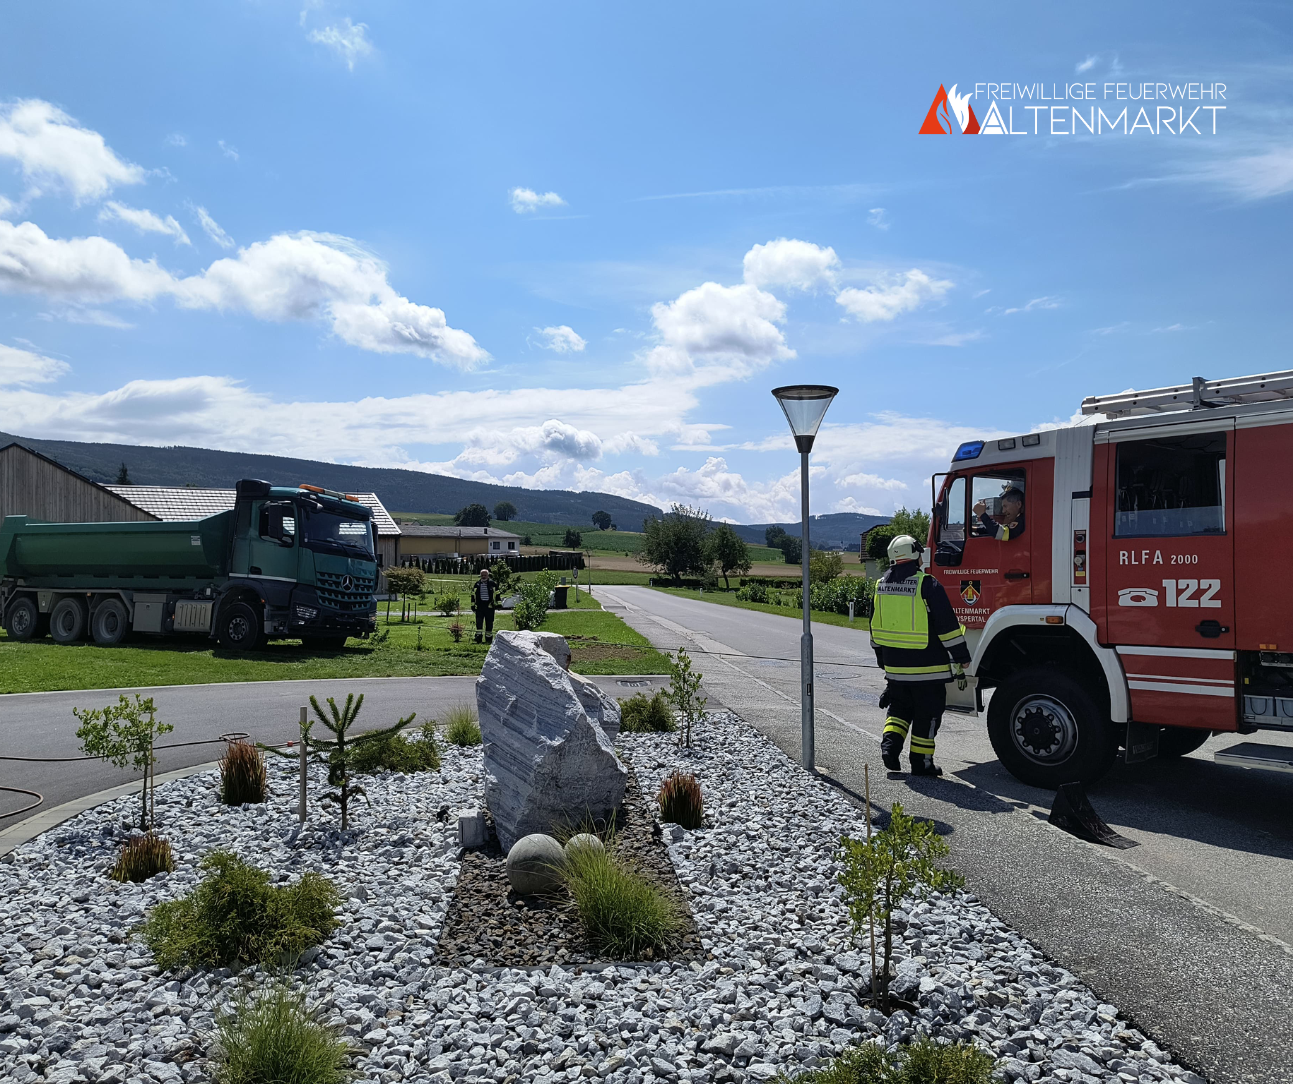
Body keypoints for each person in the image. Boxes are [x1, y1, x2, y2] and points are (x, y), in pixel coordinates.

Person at [871, 534, 971, 776]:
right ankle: (921, 763)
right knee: (927, 716)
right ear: (916, 554)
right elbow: (947, 626)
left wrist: (884, 663)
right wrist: (961, 656)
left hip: (895, 670)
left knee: (899, 711)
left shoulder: (880, 585)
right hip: (929, 670)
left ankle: (890, 748)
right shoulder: (927, 584)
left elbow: (875, 628)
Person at [470, 567, 498, 643]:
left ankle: (488, 639)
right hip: (479, 606)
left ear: (488, 575)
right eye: (482, 575)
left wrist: (498, 604)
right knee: (479, 623)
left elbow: (497, 594)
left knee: (489, 623)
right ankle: (478, 638)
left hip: (489, 606)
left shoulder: (493, 584)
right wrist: (473, 606)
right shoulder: (477, 584)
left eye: (485, 575)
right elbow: (473, 596)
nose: (483, 576)